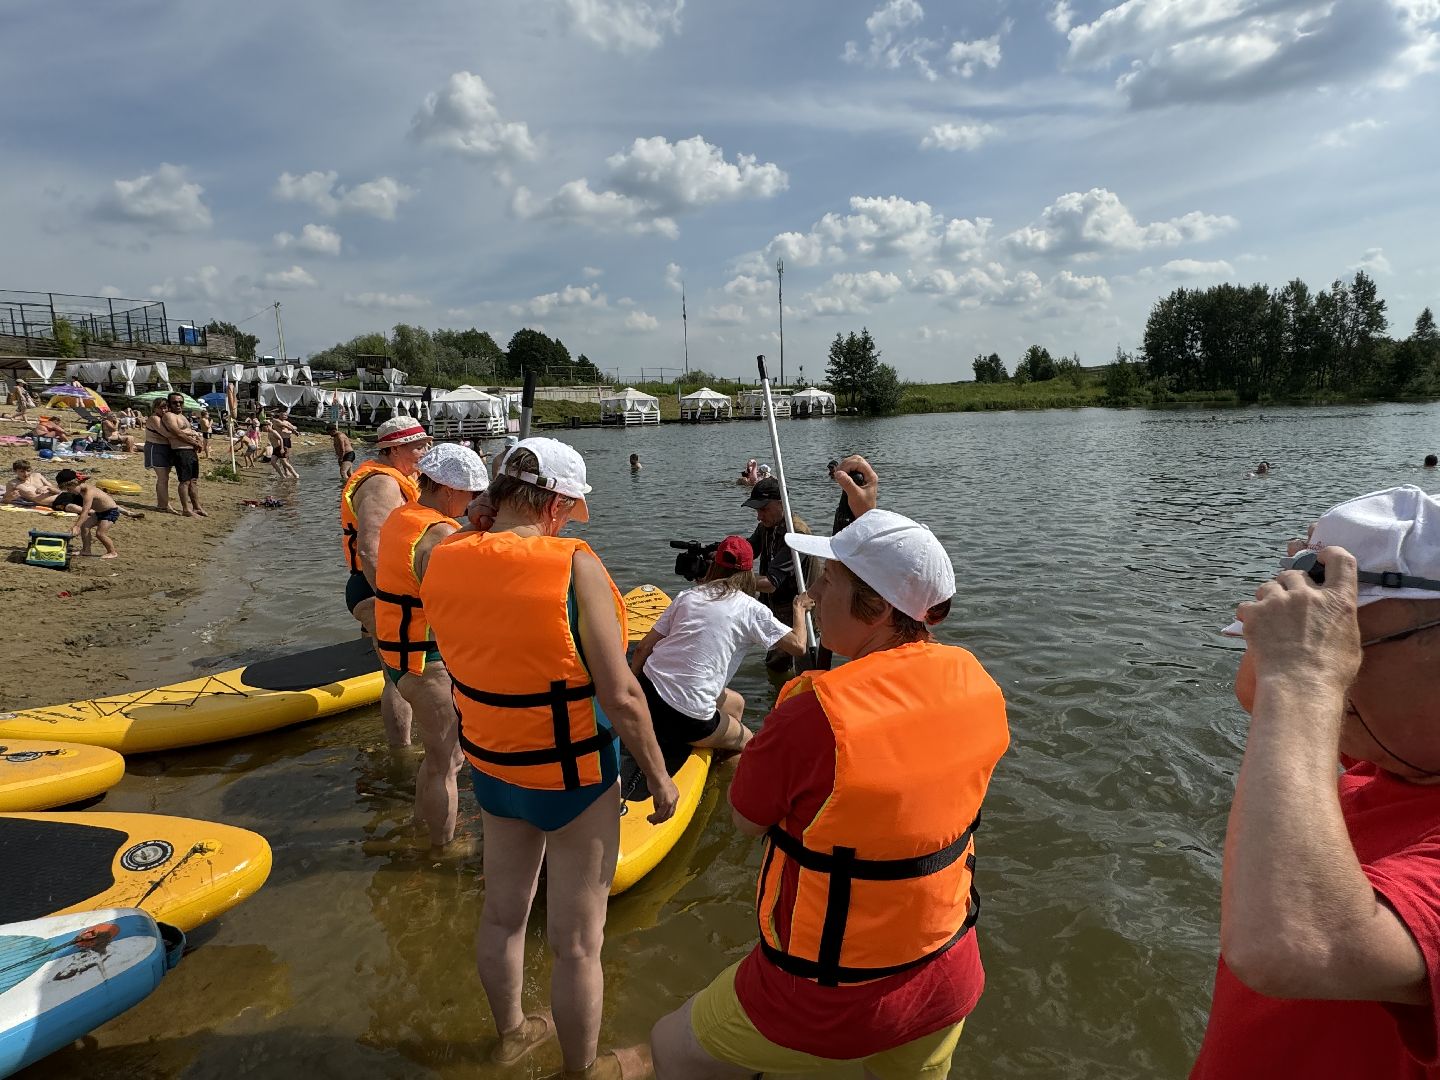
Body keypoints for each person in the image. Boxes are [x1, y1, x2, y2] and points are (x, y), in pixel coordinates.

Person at [650, 458, 1011, 1079]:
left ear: (872, 607)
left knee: (669, 1047)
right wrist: (873, 521)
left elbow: (744, 819)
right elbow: (905, 628)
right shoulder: (978, 684)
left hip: (827, 991)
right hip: (947, 973)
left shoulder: (814, 710)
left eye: (828, 581)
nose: (812, 596)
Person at [421, 437, 678, 1079]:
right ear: (558, 504)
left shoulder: (438, 556)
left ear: (499, 493)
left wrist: (480, 517)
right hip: (573, 780)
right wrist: (658, 775)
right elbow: (620, 694)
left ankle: (511, 1033)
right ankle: (582, 1070)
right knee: (577, 946)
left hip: (494, 771)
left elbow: (446, 542)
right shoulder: (574, 566)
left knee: (504, 917)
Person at [1191, 485, 1440, 1079]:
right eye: (1328, 648)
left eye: (1351, 647)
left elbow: (1290, 943)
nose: (1337, 676)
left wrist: (1305, 675)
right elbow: (1257, 697)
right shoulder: (1395, 760)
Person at [374, 443, 486, 850]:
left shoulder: (404, 515)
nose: (474, 501)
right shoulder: (442, 533)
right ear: (448, 489)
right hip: (429, 660)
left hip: (398, 655)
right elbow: (464, 606)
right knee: (448, 762)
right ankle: (441, 850)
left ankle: (423, 829)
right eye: (471, 494)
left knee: (435, 758)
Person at [629, 535, 812, 754]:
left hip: (649, 694)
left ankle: (716, 744)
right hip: (688, 718)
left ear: (714, 566)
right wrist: (799, 608)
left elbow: (642, 648)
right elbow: (799, 645)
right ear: (748, 573)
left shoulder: (687, 596)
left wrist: (631, 691)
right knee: (750, 743)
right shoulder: (751, 609)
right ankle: (725, 763)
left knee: (736, 703)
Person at [340, 416, 430, 748]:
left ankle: (405, 744)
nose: (426, 450)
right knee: (400, 677)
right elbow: (369, 548)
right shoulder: (382, 484)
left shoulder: (401, 478)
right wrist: (393, 601)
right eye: (419, 445)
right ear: (394, 449)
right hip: (377, 590)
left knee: (398, 674)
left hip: (384, 588)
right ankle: (401, 754)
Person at [742, 476, 812, 673]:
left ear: (782, 504)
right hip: (777, 609)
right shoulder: (767, 525)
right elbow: (748, 551)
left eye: (763, 509)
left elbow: (771, 582)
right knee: (775, 666)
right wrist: (721, 554)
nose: (759, 516)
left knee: (803, 673)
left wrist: (732, 581)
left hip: (799, 614)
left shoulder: (797, 534)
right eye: (757, 510)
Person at [54, 469, 122, 558]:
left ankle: (112, 552)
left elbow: (85, 511)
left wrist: (76, 526)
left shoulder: (88, 493)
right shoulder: (81, 489)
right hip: (99, 512)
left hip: (110, 512)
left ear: (75, 484)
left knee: (100, 534)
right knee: (85, 527)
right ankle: (86, 550)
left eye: (69, 489)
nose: (69, 491)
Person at [160, 391, 207, 517]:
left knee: (193, 480)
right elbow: (177, 433)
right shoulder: (169, 416)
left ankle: (197, 507)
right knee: (185, 481)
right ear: (169, 404)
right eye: (175, 402)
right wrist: (194, 441)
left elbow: (188, 431)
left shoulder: (183, 416)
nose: (178, 405)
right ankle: (186, 509)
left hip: (190, 451)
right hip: (180, 451)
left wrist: (195, 439)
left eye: (180, 402)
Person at [143, 399, 176, 513]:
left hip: (166, 448)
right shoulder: (154, 418)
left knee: (164, 479)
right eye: (161, 407)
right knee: (163, 478)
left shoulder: (165, 418)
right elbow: (166, 433)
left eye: (165, 407)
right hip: (155, 447)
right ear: (155, 408)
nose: (164, 410)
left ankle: (163, 503)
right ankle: (163, 505)